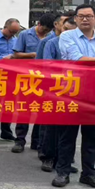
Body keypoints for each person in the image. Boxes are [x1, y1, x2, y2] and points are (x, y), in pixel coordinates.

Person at [54, 4, 95, 189]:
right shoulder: (67, 36)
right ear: (76, 19)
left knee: (90, 137)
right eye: (81, 16)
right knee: (67, 136)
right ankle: (63, 172)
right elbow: (76, 59)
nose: (85, 19)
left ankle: (89, 174)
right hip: (72, 94)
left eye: (89, 16)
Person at [10, 13, 56, 153]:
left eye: (49, 30)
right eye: (44, 29)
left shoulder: (52, 36)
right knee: (24, 109)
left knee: (41, 110)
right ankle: (20, 140)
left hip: (44, 78)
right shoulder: (25, 35)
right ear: (39, 24)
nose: (46, 32)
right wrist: (35, 54)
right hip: (27, 77)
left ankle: (36, 142)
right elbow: (16, 54)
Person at [39, 15, 78, 174]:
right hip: (55, 89)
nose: (66, 33)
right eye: (65, 29)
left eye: (71, 31)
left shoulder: (78, 44)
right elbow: (47, 66)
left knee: (68, 130)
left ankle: (64, 160)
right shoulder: (51, 43)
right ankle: (48, 157)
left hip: (74, 91)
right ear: (60, 27)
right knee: (51, 126)